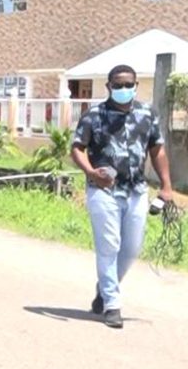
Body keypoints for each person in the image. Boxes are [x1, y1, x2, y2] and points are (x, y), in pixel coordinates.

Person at [71, 64, 173, 329]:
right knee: (109, 246)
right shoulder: (94, 115)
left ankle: (104, 290)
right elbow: (77, 149)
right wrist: (92, 173)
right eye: (118, 85)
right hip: (103, 191)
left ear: (136, 86)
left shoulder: (147, 114)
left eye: (129, 85)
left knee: (131, 249)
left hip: (137, 190)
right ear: (108, 87)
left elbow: (157, 150)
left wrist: (166, 186)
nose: (124, 89)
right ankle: (112, 305)